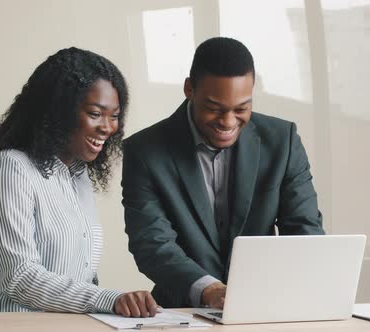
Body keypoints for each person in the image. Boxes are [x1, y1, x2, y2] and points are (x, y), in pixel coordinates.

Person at [122, 37, 325, 309]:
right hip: (182, 311)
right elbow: (151, 243)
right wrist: (208, 289)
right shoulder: (145, 151)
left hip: (266, 307)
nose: (228, 122)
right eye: (214, 108)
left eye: (241, 109)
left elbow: (304, 229)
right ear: (189, 89)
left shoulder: (282, 141)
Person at [0, 47, 157, 317]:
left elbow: (83, 279)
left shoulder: (78, 174)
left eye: (114, 116)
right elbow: (20, 278)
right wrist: (110, 301)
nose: (107, 127)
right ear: (56, 111)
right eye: (95, 113)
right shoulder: (10, 168)